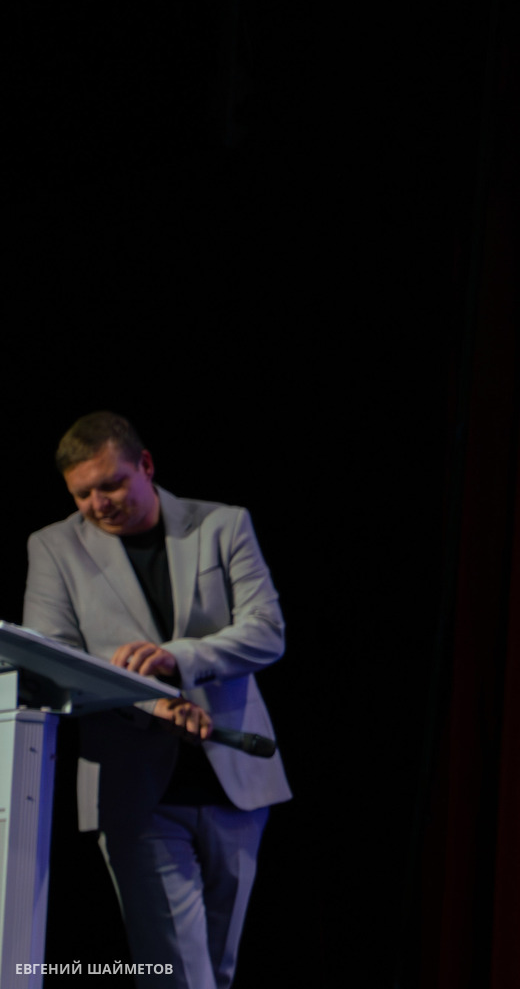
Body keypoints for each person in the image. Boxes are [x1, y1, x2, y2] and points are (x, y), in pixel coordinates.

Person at [25, 412, 291, 989]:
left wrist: (176, 658)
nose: (98, 504)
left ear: (145, 465)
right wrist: (150, 701)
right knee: (178, 975)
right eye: (82, 494)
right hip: (134, 787)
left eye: (111, 484)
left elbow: (267, 633)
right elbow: (51, 664)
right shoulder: (53, 547)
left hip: (235, 782)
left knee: (216, 973)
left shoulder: (222, 524)